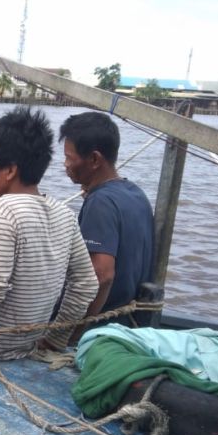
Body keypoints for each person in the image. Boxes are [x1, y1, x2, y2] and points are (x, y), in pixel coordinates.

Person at [0, 106, 98, 360]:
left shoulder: (4, 211)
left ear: (10, 170)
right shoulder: (64, 213)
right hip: (27, 350)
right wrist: (55, 339)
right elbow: (86, 284)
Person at [58, 111, 155, 328]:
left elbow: (101, 276)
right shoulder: (134, 193)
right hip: (129, 322)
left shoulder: (101, 202)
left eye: (69, 157)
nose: (65, 165)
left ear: (94, 159)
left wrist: (70, 333)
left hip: (103, 328)